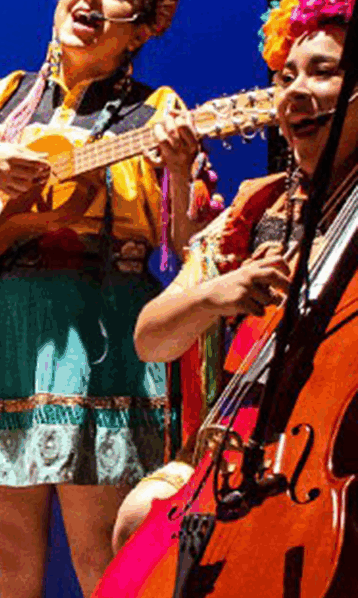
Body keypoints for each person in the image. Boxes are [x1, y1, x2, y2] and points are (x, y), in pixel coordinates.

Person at [0, 1, 220, 598]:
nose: (88, 1)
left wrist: (176, 164)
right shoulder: (8, 95)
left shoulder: (158, 109)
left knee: (103, 559)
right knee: (7, 567)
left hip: (97, 332)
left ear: (142, 28)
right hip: (5, 328)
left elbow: (184, 247)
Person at [117, 0, 358, 550]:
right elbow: (150, 337)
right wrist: (213, 295)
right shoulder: (258, 208)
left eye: (323, 72)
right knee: (139, 518)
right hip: (244, 450)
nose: (295, 91)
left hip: (335, 443)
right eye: (283, 77)